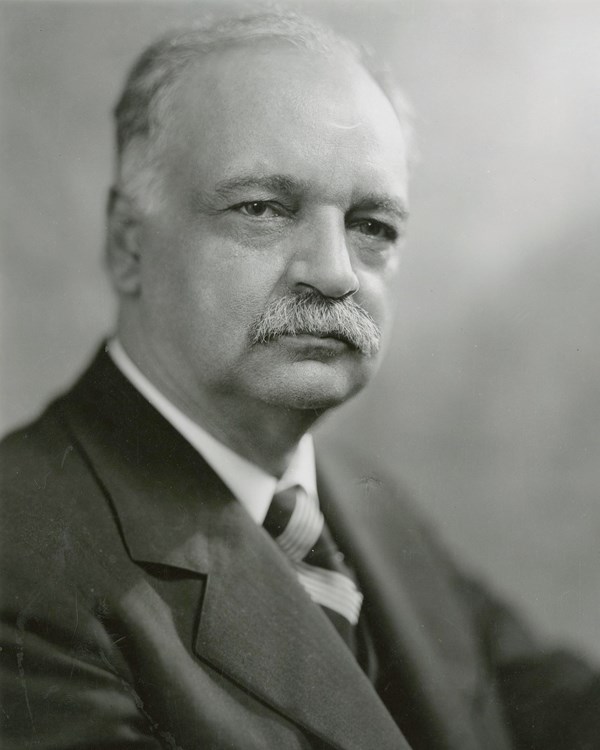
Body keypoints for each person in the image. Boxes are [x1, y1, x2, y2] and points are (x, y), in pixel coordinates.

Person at [1, 11, 598, 750]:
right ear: (129, 245)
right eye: (262, 209)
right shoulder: (18, 555)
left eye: (372, 225)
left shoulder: (366, 513)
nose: (336, 271)